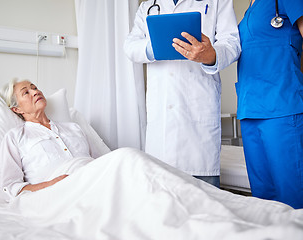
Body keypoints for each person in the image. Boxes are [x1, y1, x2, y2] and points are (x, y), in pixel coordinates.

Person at [124, 0, 241, 187]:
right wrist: (155, 46)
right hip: (161, 127)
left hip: (198, 128)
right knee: (162, 205)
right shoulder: (148, 6)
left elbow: (232, 43)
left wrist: (210, 55)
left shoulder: (218, 1)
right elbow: (130, 46)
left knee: (206, 206)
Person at [236, 0, 303, 209]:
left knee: (292, 197)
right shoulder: (251, 7)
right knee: (263, 200)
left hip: (282, 106)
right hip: (250, 110)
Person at [0, 79, 93, 200]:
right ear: (17, 109)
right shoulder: (14, 137)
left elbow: (102, 160)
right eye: (26, 92)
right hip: (59, 194)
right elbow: (11, 186)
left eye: (34, 87)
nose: (35, 92)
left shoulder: (74, 128)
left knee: (123, 157)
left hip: (94, 179)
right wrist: (50, 185)